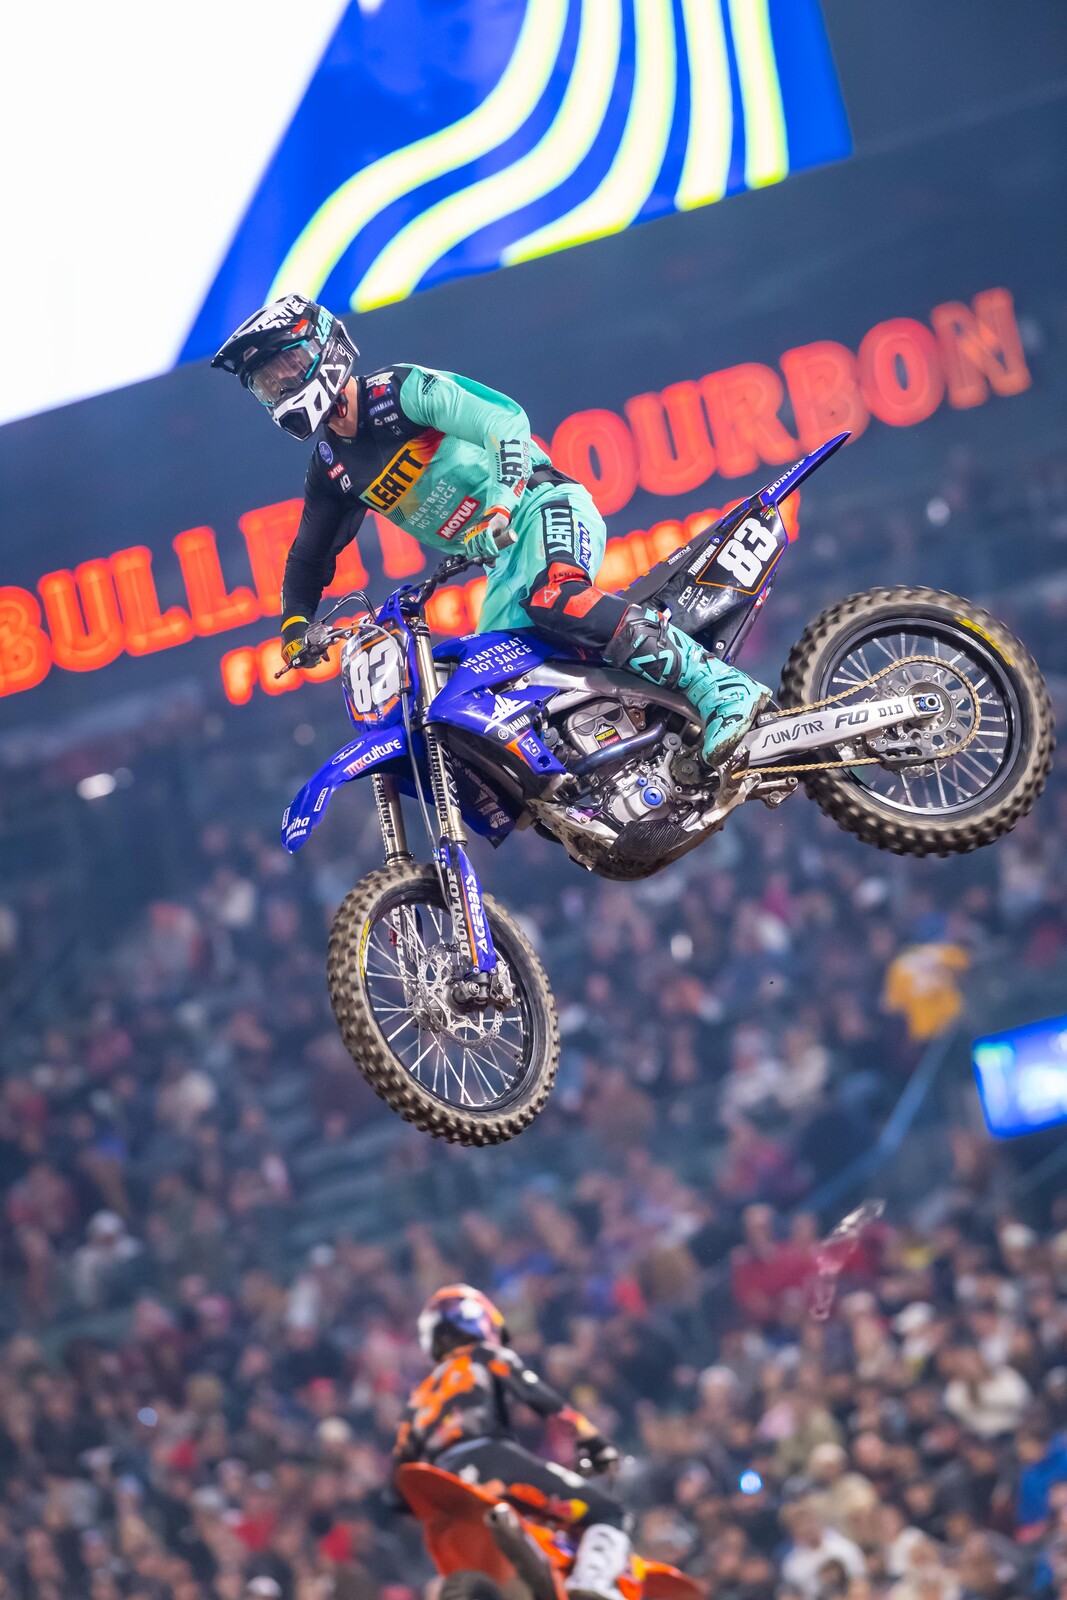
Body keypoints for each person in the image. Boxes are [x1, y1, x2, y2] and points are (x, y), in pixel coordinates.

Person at [211, 295, 769, 766]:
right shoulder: (332, 468)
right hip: (502, 564)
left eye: (283, 367)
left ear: (323, 348)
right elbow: (307, 560)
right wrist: (294, 628)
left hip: (542, 502)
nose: (279, 386)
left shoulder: (402, 392)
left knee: (559, 597)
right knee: (493, 690)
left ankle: (719, 686)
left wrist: (501, 505)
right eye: (264, 383)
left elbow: (505, 423)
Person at [394, 1283, 631, 1600]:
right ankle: (592, 1583)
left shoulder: (419, 1397)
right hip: (490, 1461)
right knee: (609, 1513)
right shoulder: (483, 1356)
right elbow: (541, 1398)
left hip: (445, 1491)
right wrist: (595, 1443)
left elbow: (399, 1473)